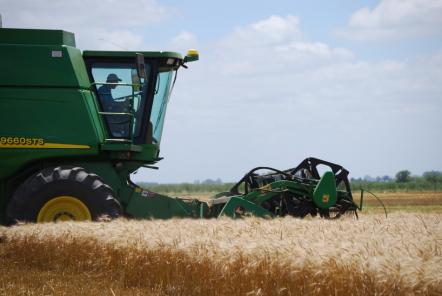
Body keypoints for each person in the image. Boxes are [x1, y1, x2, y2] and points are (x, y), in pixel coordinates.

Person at [97, 73, 130, 137]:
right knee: (126, 115)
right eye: (116, 81)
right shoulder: (103, 90)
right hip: (106, 116)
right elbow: (109, 104)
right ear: (111, 81)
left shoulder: (106, 89)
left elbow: (111, 103)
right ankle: (123, 135)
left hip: (108, 114)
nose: (117, 84)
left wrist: (122, 104)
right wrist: (123, 103)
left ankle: (123, 134)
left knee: (126, 112)